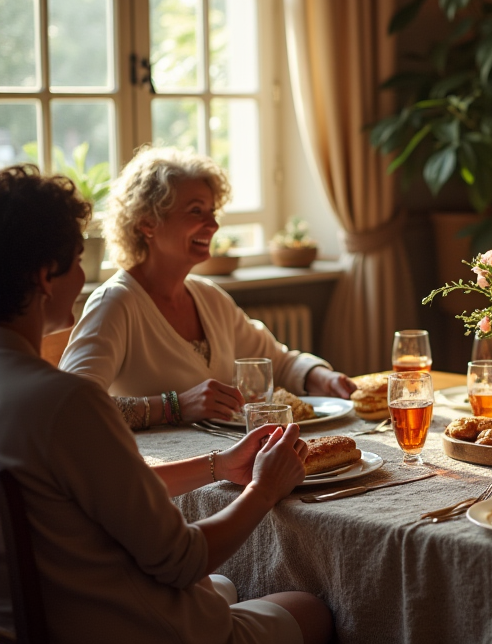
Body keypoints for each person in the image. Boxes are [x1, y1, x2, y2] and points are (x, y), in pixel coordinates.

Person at [0, 164, 332, 643]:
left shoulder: (31, 395)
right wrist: (264, 489)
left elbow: (105, 485)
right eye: (75, 259)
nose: (82, 274)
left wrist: (218, 464)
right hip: (115, 625)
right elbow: (181, 561)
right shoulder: (68, 401)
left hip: (43, 616)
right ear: (43, 277)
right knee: (310, 606)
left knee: (222, 584)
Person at [59, 147, 356, 429]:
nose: (212, 225)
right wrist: (174, 406)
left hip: (226, 465)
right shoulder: (115, 303)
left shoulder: (209, 297)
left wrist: (321, 376)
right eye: (195, 211)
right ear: (147, 224)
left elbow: (278, 363)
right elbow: (72, 407)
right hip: (158, 476)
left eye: (212, 211)